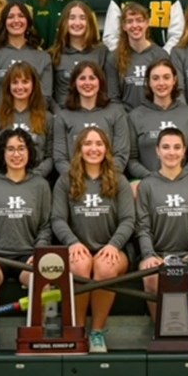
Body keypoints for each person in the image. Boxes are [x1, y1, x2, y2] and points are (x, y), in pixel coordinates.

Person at [51, 127, 134, 353]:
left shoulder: (119, 180)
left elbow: (128, 220)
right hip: (79, 248)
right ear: (79, 149)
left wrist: (113, 245)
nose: (93, 149)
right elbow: (57, 219)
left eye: (99, 144)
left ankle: (97, 332)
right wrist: (73, 243)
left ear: (106, 149)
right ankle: (77, 331)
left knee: (105, 268)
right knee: (79, 265)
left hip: (112, 248)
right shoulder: (65, 180)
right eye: (88, 144)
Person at [0, 128, 52, 352]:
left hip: (26, 256)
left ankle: (41, 335)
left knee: (45, 284)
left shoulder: (41, 185)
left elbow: (45, 227)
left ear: (29, 152)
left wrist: (38, 255)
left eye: (21, 148)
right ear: (2, 153)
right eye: (10, 149)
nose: (16, 154)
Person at [136, 128, 188, 321]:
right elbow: (143, 227)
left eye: (177, 147)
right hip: (158, 253)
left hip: (187, 254)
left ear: (184, 151)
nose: (171, 152)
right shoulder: (147, 185)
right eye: (166, 147)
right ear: (157, 151)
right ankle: (158, 328)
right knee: (150, 273)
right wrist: (149, 255)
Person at [127, 59, 188, 182]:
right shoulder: (135, 116)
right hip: (148, 185)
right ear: (149, 82)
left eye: (166, 77)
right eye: (156, 78)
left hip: (182, 184)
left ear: (174, 80)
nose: (161, 83)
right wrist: (152, 179)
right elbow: (131, 159)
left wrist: (179, 176)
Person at [53, 61, 130, 175]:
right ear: (74, 83)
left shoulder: (116, 112)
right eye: (82, 78)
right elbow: (60, 158)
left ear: (100, 82)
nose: (87, 83)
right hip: (74, 182)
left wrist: (104, 178)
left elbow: (121, 154)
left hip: (109, 180)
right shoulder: (63, 116)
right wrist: (77, 179)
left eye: (92, 78)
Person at [0, 2, 53, 113]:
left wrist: (25, 117)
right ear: (4, 22)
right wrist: (2, 114)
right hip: (0, 120)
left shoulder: (43, 57)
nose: (16, 21)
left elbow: (45, 98)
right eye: (10, 17)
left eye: (21, 16)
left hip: (33, 122)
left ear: (28, 22)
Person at [0, 61, 53, 178]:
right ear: (8, 86)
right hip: (1, 180)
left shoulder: (47, 118)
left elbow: (50, 156)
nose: (20, 87)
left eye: (25, 82)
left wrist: (34, 177)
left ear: (33, 85)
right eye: (15, 82)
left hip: (35, 180)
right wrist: (2, 177)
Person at [104, 2, 169, 111]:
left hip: (154, 115)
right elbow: (113, 98)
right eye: (130, 21)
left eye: (139, 20)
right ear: (124, 26)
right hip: (126, 118)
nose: (135, 25)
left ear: (147, 23)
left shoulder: (160, 55)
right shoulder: (114, 58)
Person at [49, 1, 108, 109]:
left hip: (95, 114)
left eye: (82, 18)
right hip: (64, 116)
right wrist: (59, 115)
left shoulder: (102, 52)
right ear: (64, 22)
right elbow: (48, 95)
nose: (77, 22)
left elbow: (107, 91)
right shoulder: (53, 54)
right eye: (72, 18)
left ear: (89, 22)